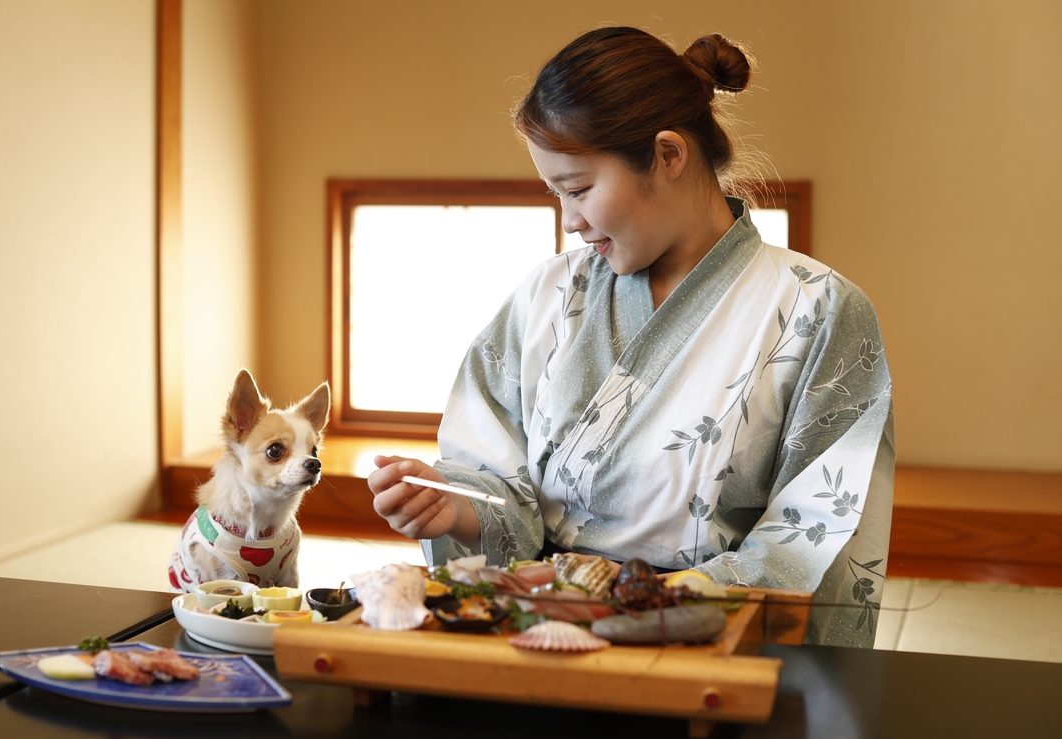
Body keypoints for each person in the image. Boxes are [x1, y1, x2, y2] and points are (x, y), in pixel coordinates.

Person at [367, 27, 894, 647]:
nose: (571, 221)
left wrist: (648, 607)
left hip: (704, 644)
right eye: (556, 193)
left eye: (580, 189)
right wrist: (458, 510)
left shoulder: (819, 309)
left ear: (669, 155)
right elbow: (492, 473)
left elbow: (815, 537)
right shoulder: (548, 295)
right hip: (540, 631)